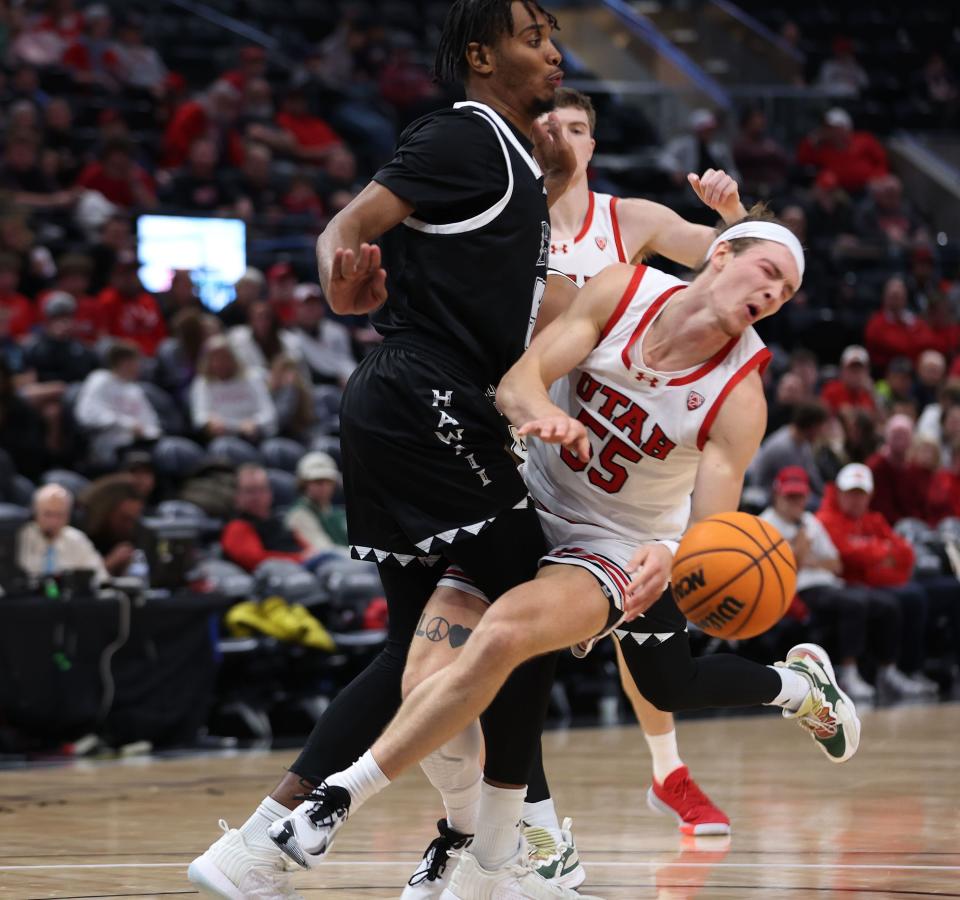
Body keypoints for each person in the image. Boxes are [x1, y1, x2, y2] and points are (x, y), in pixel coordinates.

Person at [271, 219, 862, 896]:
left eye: (786, 292)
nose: (775, 295)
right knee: (432, 671)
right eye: (768, 274)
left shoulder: (739, 396)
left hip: (620, 546)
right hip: (526, 507)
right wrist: (538, 414)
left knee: (600, 664)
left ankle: (343, 798)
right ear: (721, 254)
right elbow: (519, 383)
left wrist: (671, 560)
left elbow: (712, 528)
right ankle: (489, 837)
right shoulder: (622, 291)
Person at [189, 3, 581, 897]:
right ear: (481, 56)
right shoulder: (464, 136)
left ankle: (256, 846)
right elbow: (346, 227)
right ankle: (496, 850)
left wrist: (558, 175)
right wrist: (338, 275)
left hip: (410, 398)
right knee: (530, 603)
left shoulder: (514, 160)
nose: (553, 53)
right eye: (532, 39)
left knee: (420, 641)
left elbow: (489, 269)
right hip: (423, 397)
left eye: (554, 37)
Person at [530, 85, 754, 842]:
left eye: (579, 126)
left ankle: (669, 772)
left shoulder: (632, 221)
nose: (563, 135)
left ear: (594, 144)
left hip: (630, 454)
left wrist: (732, 213)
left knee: (654, 641)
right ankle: (515, 818)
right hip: (534, 435)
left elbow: (740, 268)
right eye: (549, 123)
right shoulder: (504, 225)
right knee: (509, 638)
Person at [760, 466, 917, 701]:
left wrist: (805, 558)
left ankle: (888, 671)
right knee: (854, 603)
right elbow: (785, 567)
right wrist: (802, 551)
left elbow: (836, 564)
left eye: (800, 496)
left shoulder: (810, 521)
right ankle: (847, 673)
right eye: (789, 496)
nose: (795, 501)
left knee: (888, 604)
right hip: (798, 590)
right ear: (777, 495)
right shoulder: (764, 524)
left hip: (830, 583)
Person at [816, 464, 943, 694]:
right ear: (839, 492)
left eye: (861, 494)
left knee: (918, 596)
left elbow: (905, 554)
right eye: (851, 493)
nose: (856, 500)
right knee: (901, 600)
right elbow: (848, 558)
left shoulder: (874, 519)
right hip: (847, 584)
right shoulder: (826, 519)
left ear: (870, 496)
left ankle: (906, 670)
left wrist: (872, 556)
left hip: (875, 583)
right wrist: (882, 554)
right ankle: (878, 671)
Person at [74, 340, 161, 467]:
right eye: (135, 362)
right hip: (108, 445)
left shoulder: (134, 389)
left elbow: (151, 422)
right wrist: (127, 424)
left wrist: (146, 432)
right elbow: (87, 414)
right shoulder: (100, 380)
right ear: (123, 362)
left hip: (139, 445)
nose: (139, 366)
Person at [189, 334, 277, 442]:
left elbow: (269, 413)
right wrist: (209, 422)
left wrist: (255, 422)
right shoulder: (202, 383)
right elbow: (199, 416)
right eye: (215, 359)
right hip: (223, 437)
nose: (220, 363)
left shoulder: (252, 378)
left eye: (224, 357)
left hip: (254, 437)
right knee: (223, 446)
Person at [16, 483, 108, 584]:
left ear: (69, 515)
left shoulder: (77, 539)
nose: (54, 521)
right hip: (30, 597)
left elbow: (100, 577)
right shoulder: (20, 538)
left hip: (68, 598)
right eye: (48, 514)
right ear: (35, 512)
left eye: (60, 515)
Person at [747, 400, 829, 500]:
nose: (821, 433)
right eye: (819, 428)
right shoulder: (782, 447)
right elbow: (790, 481)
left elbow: (812, 475)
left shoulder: (804, 443)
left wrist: (825, 495)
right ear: (811, 426)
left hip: (789, 490)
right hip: (766, 493)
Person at [286, 451, 349, 552]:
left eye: (328, 481)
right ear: (304, 484)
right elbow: (324, 550)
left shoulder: (339, 513)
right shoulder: (299, 514)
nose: (324, 487)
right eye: (318, 482)